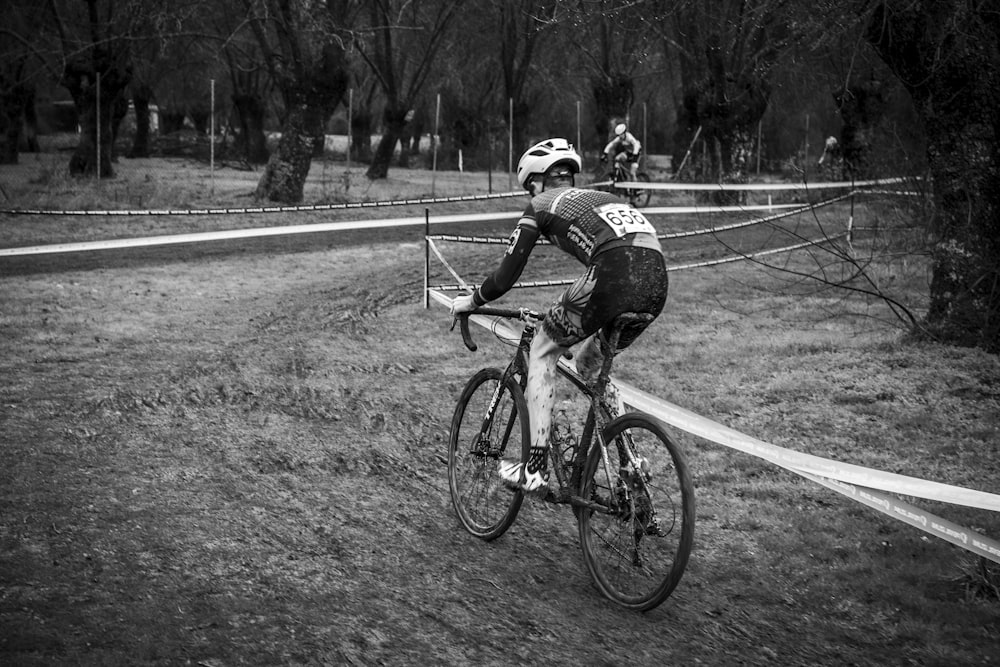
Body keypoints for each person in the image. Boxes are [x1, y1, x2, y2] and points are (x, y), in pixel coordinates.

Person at [450, 138, 669, 492]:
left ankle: (534, 469)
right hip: (656, 281)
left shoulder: (540, 204)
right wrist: (570, 324)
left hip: (613, 276)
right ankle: (632, 468)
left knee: (541, 349)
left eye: (528, 187)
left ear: (536, 180)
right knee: (591, 367)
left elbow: (507, 274)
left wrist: (472, 300)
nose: (529, 193)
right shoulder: (601, 199)